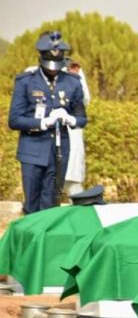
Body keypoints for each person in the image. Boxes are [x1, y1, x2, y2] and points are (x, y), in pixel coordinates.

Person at [8, 31, 87, 214]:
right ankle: (30, 241)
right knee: (32, 205)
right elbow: (14, 119)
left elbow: (82, 118)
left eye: (57, 64)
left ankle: (47, 241)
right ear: (41, 57)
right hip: (32, 150)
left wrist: (70, 118)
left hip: (59, 152)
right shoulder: (26, 82)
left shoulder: (73, 82)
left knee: (51, 205)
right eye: (50, 65)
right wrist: (42, 122)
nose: (53, 69)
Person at [63, 59, 91, 195]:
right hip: (46, 142)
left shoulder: (74, 70)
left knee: (73, 187)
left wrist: (73, 75)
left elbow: (85, 99)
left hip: (72, 135)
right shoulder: (37, 73)